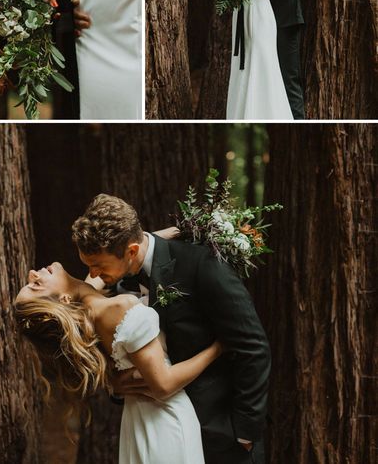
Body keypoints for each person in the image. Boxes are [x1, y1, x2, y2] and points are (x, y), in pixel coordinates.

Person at [72, 194, 271, 464]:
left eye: (98, 266)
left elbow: (253, 347)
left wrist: (245, 434)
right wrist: (116, 387)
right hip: (163, 432)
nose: (93, 275)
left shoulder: (203, 265)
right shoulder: (118, 285)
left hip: (219, 431)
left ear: (131, 251)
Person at [15, 261, 222, 464]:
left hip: (138, 420)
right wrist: (220, 347)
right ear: (65, 299)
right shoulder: (118, 308)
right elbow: (163, 385)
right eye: (36, 285)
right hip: (165, 421)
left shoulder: (86, 307)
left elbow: (108, 265)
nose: (33, 273)